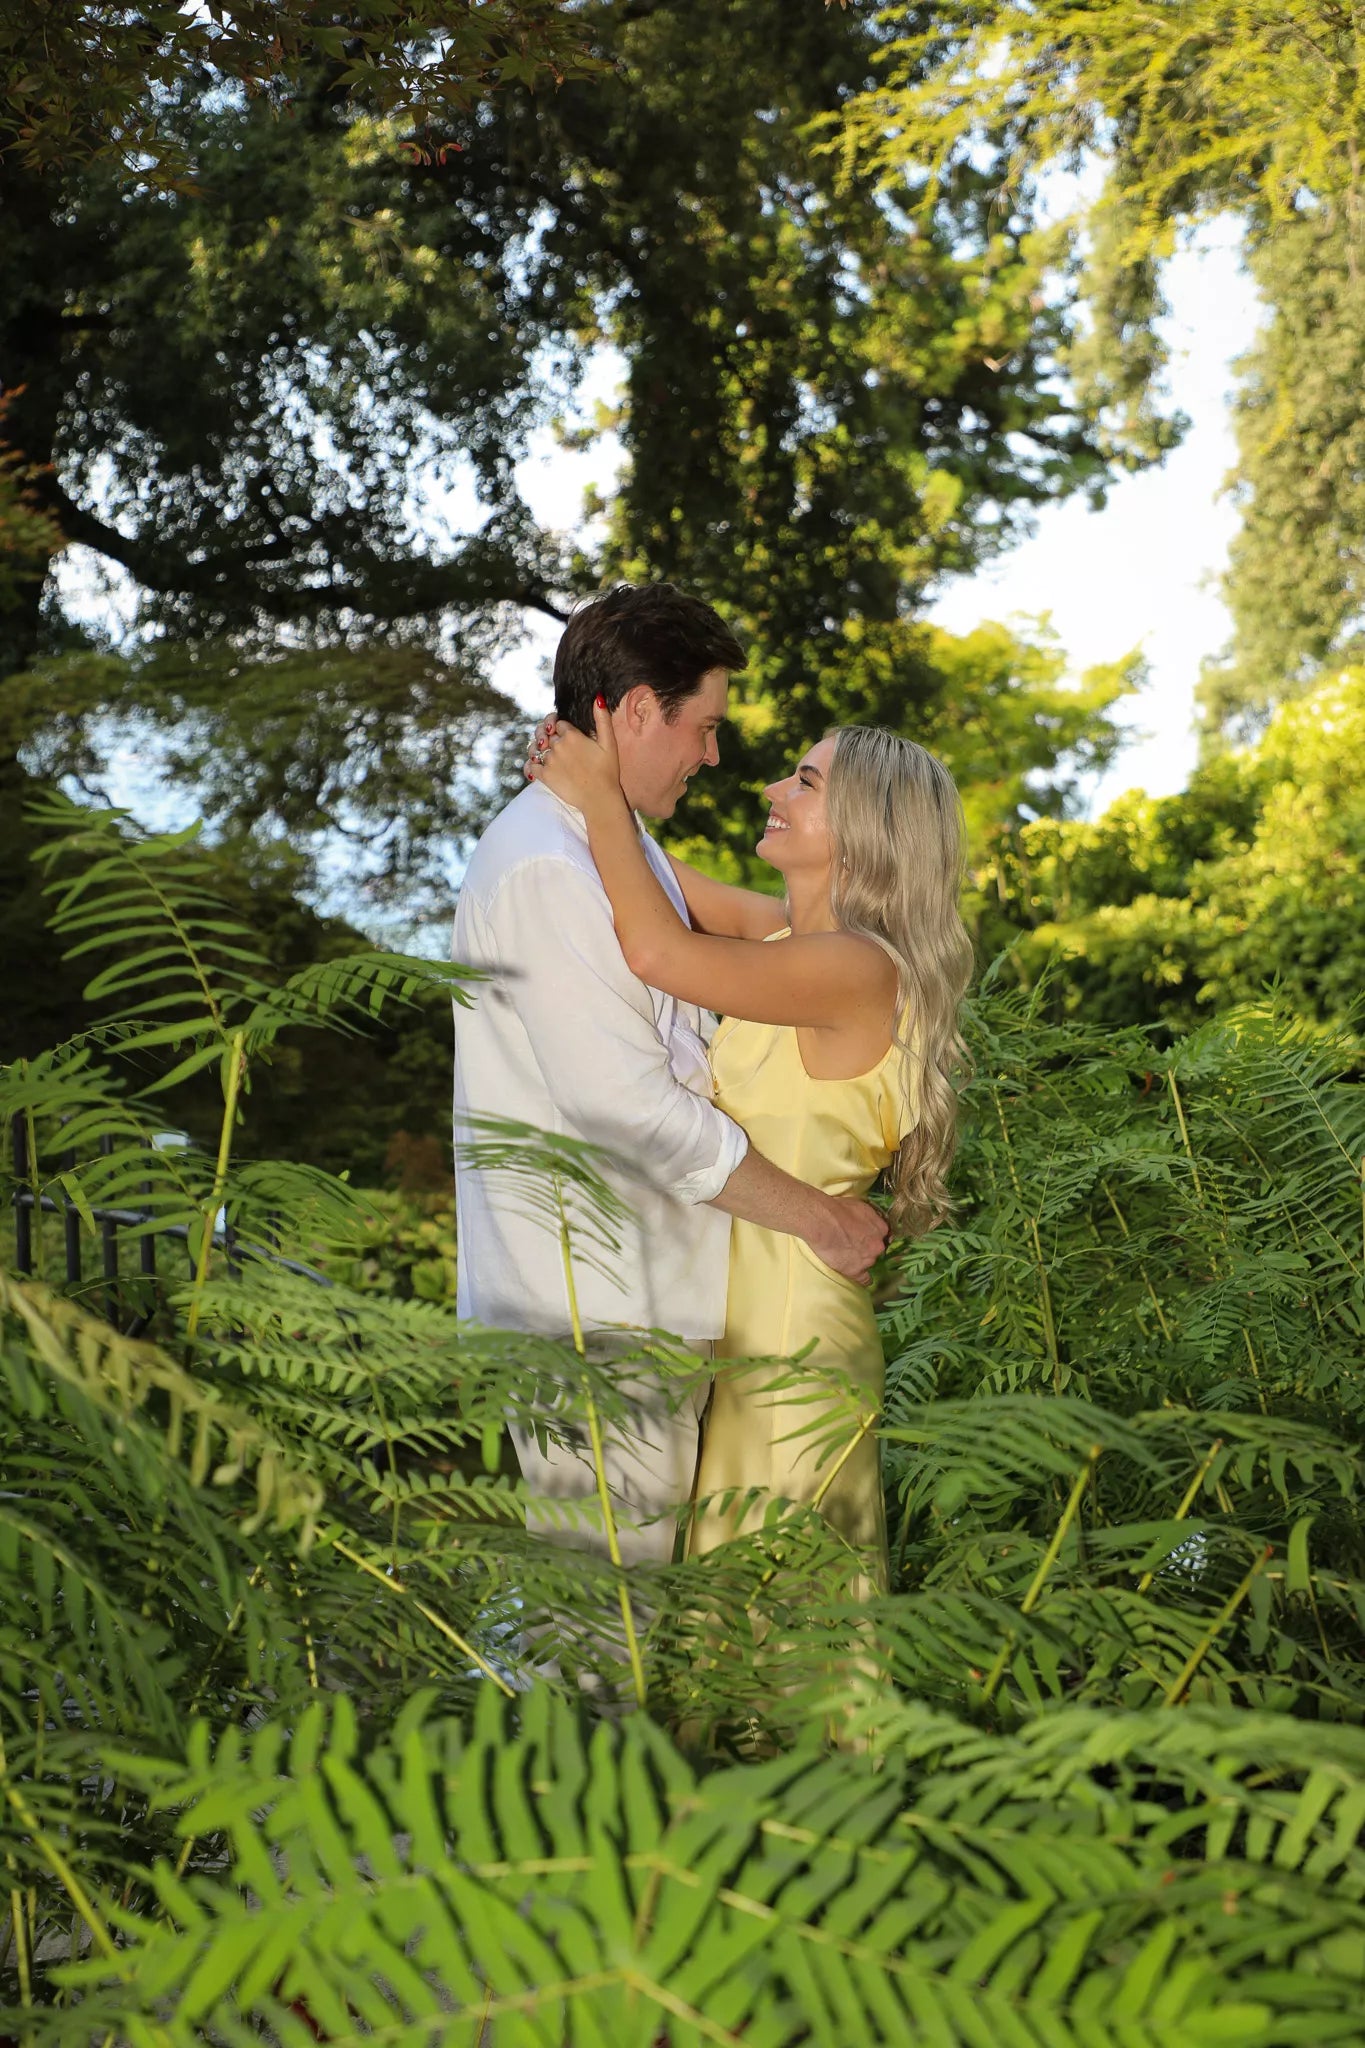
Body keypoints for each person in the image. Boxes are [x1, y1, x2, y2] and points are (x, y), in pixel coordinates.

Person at [451, 583, 887, 1583]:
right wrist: (819, 1217)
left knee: (636, 1625)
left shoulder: (609, 844)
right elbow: (627, 1106)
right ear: (641, 709)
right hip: (596, 1320)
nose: (715, 756)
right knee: (609, 1635)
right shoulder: (549, 867)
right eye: (706, 726)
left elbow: (764, 936)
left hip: (647, 1307)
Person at [529, 702, 972, 1598]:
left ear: (867, 828)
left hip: (790, 1332)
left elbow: (657, 952)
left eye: (803, 782)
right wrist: (585, 782)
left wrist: (599, 796)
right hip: (739, 1314)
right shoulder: (788, 940)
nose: (771, 788)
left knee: (776, 1608)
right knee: (732, 1601)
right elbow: (653, 878)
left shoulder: (858, 969)